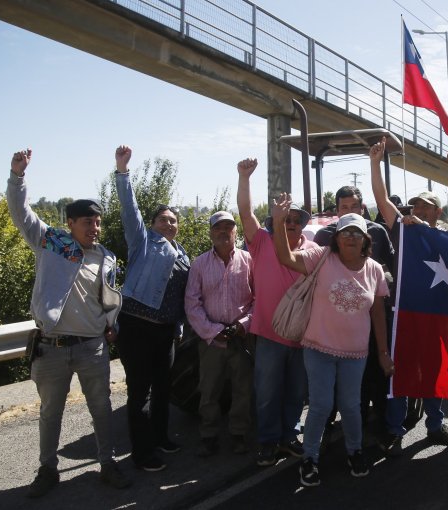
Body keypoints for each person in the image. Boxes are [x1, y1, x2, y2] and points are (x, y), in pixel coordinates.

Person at [7, 148, 130, 497]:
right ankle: (48, 470)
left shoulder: (105, 257)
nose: (95, 227)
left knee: (102, 410)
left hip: (92, 348)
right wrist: (18, 176)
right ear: (71, 224)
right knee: (50, 414)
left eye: (98, 222)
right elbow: (21, 213)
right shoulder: (50, 243)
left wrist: (112, 323)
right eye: (88, 222)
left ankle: (108, 464)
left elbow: (107, 297)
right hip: (52, 349)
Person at [272, 196, 391, 487]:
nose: (351, 237)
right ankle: (310, 458)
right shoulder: (321, 257)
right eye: (345, 232)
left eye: (357, 233)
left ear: (365, 240)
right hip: (318, 348)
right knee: (322, 405)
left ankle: (355, 450)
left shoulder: (375, 270)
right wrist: (278, 220)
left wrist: (384, 353)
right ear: (337, 237)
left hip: (356, 353)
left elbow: (378, 315)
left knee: (351, 405)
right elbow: (285, 258)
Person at [369, 137, 448, 455]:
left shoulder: (447, 238)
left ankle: (435, 425)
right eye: (414, 205)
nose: (416, 209)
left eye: (424, 205)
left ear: (437, 210)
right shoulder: (403, 230)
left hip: (435, 318)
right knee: (401, 370)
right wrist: (375, 163)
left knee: (435, 372)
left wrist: (425, 228)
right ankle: (396, 429)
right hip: (404, 314)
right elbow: (381, 200)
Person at [114, 145, 191, 472]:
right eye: (163, 219)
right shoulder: (143, 241)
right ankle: (142, 452)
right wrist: (122, 172)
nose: (169, 224)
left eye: (173, 220)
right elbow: (129, 209)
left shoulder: (184, 254)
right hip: (136, 327)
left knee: (163, 388)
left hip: (166, 331)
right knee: (140, 391)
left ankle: (160, 438)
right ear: (153, 223)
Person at [236, 158, 315, 466]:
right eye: (286, 217)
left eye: (296, 219)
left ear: (303, 224)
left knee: (296, 392)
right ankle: (269, 441)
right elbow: (245, 212)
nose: (291, 222)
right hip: (268, 333)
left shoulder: (312, 252)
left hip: (301, 336)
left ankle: (289, 435)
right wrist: (244, 178)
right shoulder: (262, 242)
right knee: (267, 392)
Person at [313, 185, 394, 434]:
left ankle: (381, 430)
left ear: (363, 207)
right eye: (344, 207)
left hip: (372, 319)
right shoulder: (324, 237)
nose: (350, 211)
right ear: (336, 211)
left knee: (377, 377)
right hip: (337, 327)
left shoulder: (378, 232)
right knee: (340, 386)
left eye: (355, 206)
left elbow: (393, 268)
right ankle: (333, 432)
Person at [185, 211, 254, 457]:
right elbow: (192, 304)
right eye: (218, 228)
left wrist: (244, 324)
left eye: (229, 227)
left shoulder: (249, 261)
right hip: (212, 341)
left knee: (242, 389)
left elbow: (259, 300)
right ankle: (209, 435)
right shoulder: (199, 264)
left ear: (236, 231)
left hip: (242, 338)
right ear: (211, 232)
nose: (224, 232)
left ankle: (238, 434)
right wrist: (213, 331)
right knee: (209, 389)